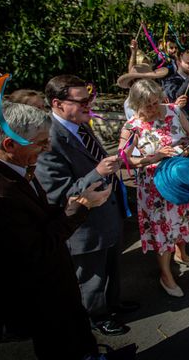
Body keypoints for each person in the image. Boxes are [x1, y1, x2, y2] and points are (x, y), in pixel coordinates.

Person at [0, 102, 111, 360]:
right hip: (41, 294)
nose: (47, 148)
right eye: (40, 143)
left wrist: (74, 204)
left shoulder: (20, 168)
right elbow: (36, 248)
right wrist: (80, 208)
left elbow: (43, 217)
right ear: (9, 145)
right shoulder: (1, 193)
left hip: (59, 282)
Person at [35, 75, 135, 337]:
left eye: (89, 99)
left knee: (111, 266)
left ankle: (113, 304)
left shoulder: (80, 124)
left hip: (107, 214)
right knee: (91, 277)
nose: (89, 105)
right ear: (57, 103)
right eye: (81, 101)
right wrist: (98, 172)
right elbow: (58, 192)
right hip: (84, 224)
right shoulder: (49, 139)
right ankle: (96, 317)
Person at [118, 79, 189, 297]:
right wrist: (153, 158)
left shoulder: (174, 111)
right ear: (136, 104)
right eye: (148, 105)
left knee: (182, 221)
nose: (155, 108)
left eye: (157, 102)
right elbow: (123, 160)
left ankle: (182, 254)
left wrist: (186, 148)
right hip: (156, 188)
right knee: (165, 232)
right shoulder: (132, 127)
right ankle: (166, 275)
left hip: (180, 178)